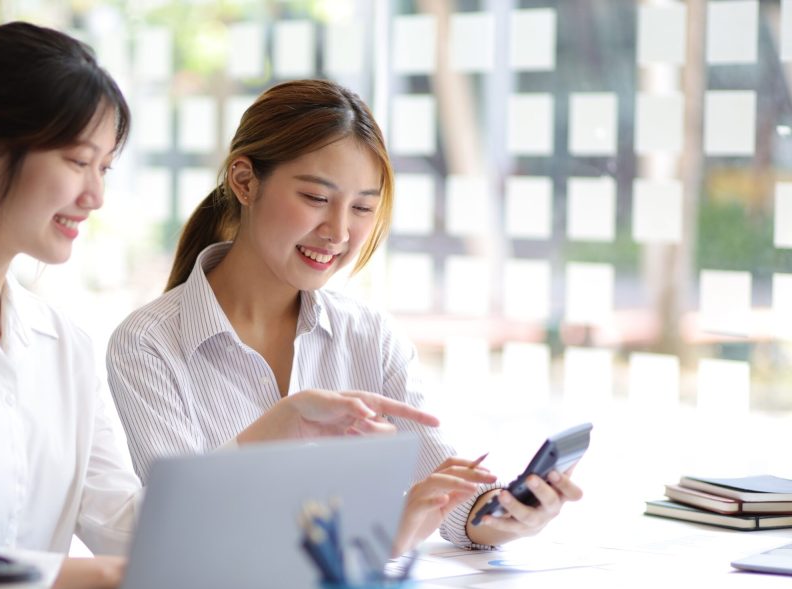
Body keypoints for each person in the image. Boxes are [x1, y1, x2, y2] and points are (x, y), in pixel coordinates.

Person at [0, 23, 445, 589]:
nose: (96, 196)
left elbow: (129, 523)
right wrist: (105, 576)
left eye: (106, 167)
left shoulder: (58, 342)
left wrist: (275, 429)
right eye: (77, 162)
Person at [108, 79, 583, 553]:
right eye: (316, 199)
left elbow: (450, 495)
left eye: (361, 208)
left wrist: (505, 514)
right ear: (244, 181)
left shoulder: (368, 335)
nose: (337, 232)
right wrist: (385, 535)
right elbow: (184, 531)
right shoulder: (150, 344)